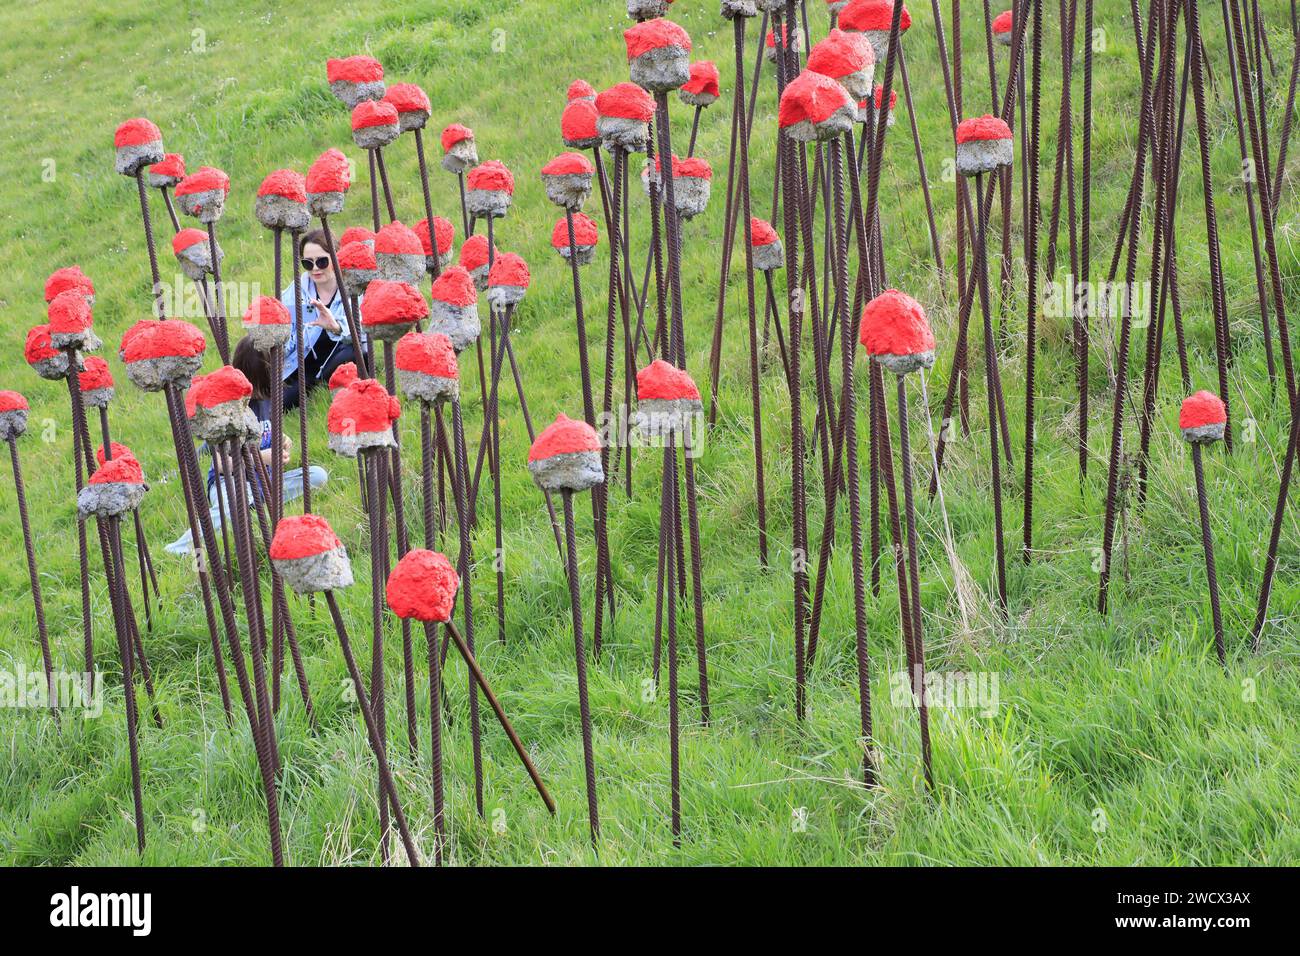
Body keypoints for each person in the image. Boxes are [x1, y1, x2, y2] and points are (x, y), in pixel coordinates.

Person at [165, 336, 328, 555]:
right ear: (260, 372)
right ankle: (179, 547)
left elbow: (267, 430)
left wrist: (283, 439)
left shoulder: (269, 399)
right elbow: (221, 465)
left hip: (266, 483)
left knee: (317, 475)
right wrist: (263, 458)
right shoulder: (231, 409)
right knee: (234, 508)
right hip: (230, 484)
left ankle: (254, 503)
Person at [280, 228, 366, 410]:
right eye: (308, 263)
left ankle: (326, 385)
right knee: (279, 404)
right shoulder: (298, 291)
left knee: (358, 352)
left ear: (335, 258)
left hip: (336, 359)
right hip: (300, 365)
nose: (315, 268)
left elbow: (362, 333)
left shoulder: (352, 289)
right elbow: (284, 330)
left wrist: (336, 327)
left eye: (322, 261)